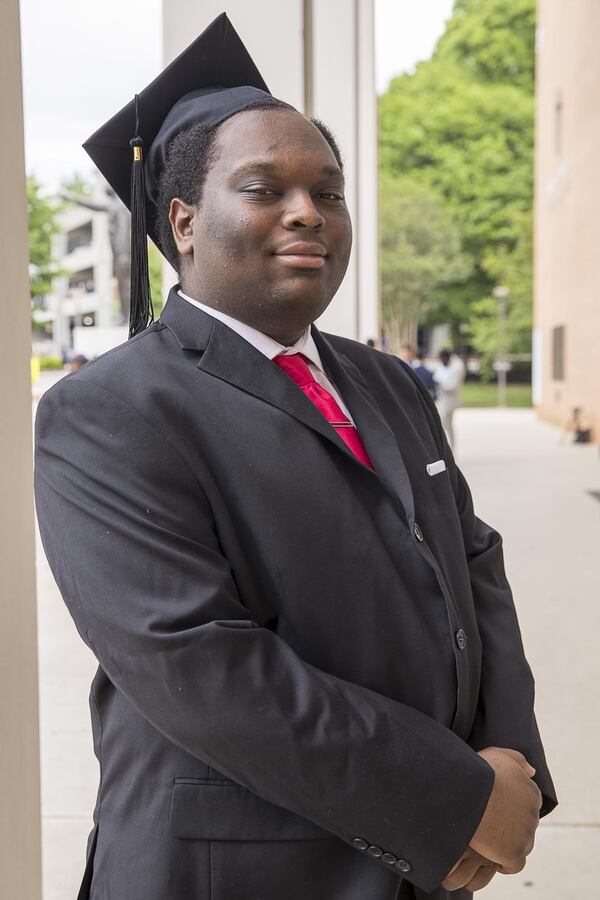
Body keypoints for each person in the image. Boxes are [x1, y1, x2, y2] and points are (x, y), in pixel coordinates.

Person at [33, 14, 555, 900]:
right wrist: (457, 800)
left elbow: (476, 567)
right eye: (264, 187)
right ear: (184, 221)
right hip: (239, 869)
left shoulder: (389, 383)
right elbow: (201, 666)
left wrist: (512, 774)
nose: (308, 211)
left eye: (329, 190)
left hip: (424, 866)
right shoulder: (108, 413)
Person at [434, 348, 466, 450]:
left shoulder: (456, 367)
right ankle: (447, 447)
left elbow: (453, 386)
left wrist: (441, 385)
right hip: (441, 399)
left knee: (447, 424)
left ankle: (450, 447)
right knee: (444, 424)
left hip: (450, 400)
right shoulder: (440, 367)